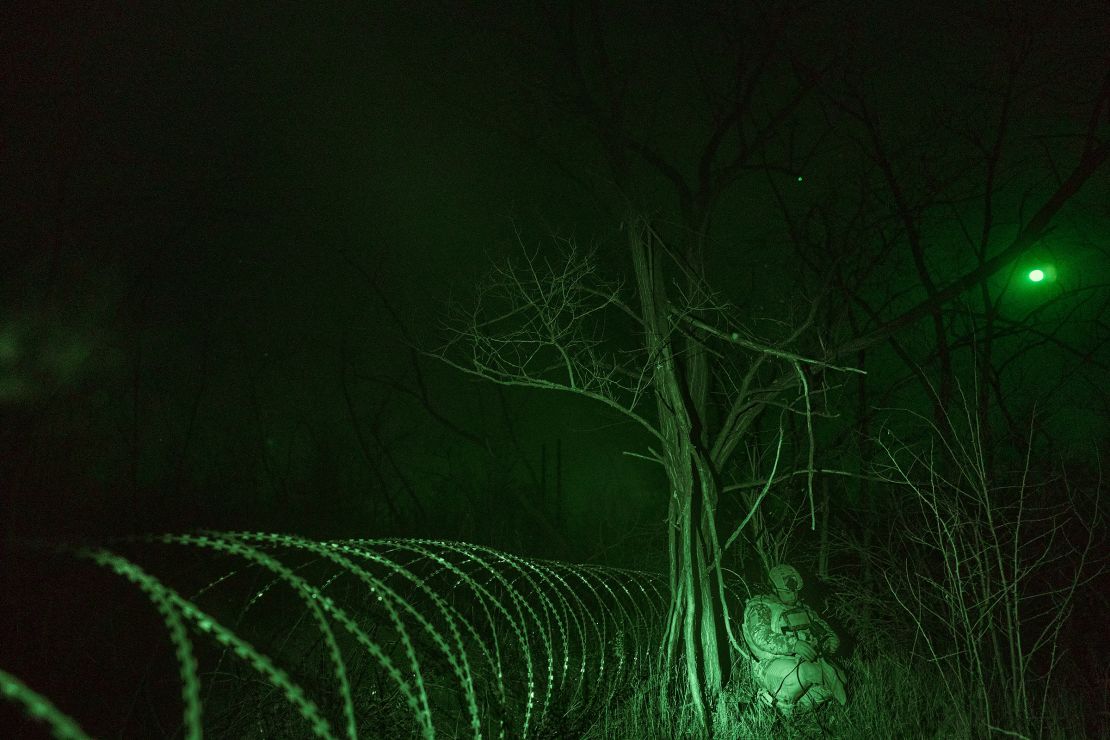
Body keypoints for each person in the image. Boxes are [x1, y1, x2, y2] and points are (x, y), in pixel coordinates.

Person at [741, 563, 848, 713]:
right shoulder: (760, 606)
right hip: (769, 665)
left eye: (797, 592)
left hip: (803, 661)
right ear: (773, 588)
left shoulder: (803, 608)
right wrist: (794, 645)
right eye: (788, 592)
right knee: (808, 672)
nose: (794, 596)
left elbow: (825, 631)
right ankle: (767, 700)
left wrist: (828, 642)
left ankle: (784, 708)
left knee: (839, 679)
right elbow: (761, 637)